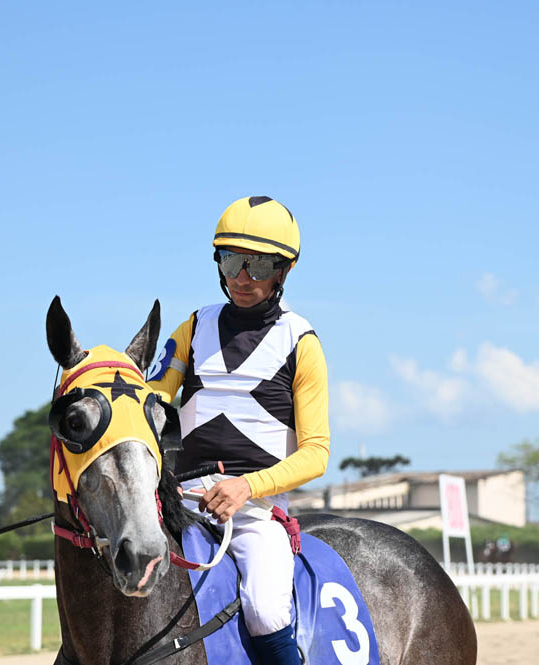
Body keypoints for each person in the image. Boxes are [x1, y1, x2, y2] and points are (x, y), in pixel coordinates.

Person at [148, 196, 329, 665]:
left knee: (265, 611)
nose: (241, 278)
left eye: (259, 265)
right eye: (231, 261)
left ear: (284, 270)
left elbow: (316, 454)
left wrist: (246, 487)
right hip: (180, 501)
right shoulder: (192, 327)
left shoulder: (301, 342)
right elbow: (153, 404)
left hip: (253, 512)